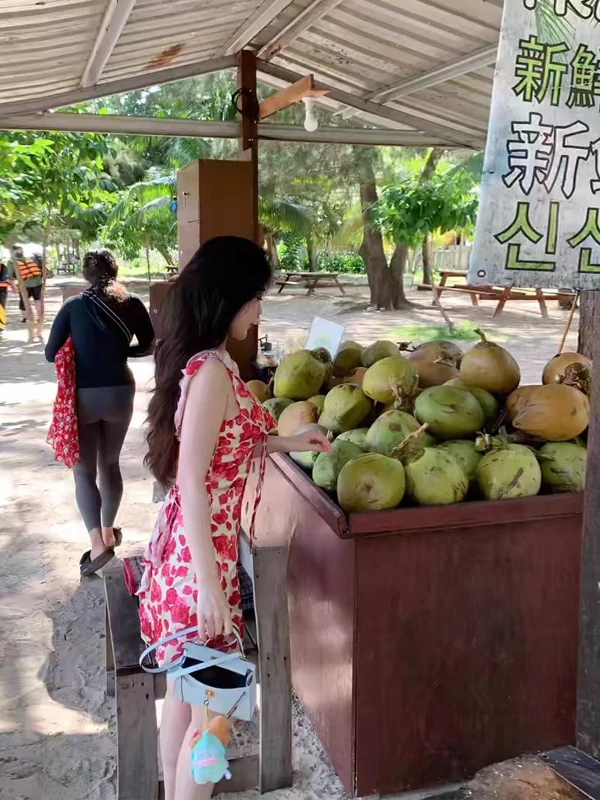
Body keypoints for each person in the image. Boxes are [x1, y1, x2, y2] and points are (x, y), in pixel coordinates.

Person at [138, 237, 330, 800]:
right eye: (256, 299)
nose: (260, 310)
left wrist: (290, 440)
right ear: (230, 300)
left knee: (187, 709)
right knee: (212, 727)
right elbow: (193, 480)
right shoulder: (213, 373)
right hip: (195, 565)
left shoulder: (214, 364)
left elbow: (226, 449)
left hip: (199, 558)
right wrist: (207, 585)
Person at [45, 249, 155, 576]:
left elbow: (51, 353)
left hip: (83, 396)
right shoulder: (133, 303)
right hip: (121, 391)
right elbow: (149, 344)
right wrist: (121, 351)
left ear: (85, 275)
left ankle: (97, 544)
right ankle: (109, 532)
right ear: (116, 270)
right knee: (110, 463)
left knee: (83, 472)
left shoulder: (73, 306)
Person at [8, 246, 43, 323]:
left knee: (26, 301)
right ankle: (37, 317)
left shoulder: (11, 262)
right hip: (34, 283)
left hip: (29, 284)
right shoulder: (31, 259)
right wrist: (14, 287)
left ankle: (27, 318)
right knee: (37, 300)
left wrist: (14, 287)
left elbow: (10, 277)